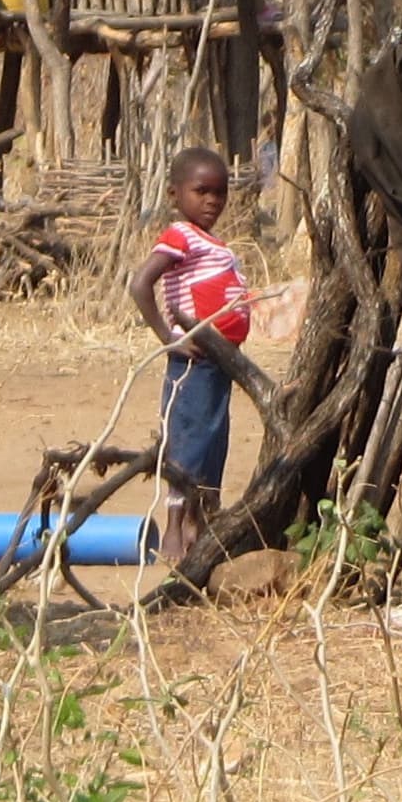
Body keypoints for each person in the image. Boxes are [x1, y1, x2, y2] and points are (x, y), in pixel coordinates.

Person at [127, 147, 257, 560]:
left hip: (218, 365)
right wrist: (168, 336)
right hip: (193, 364)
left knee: (214, 443)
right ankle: (173, 531)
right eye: (201, 191)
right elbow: (140, 284)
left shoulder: (213, 242)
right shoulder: (180, 235)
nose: (211, 201)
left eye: (219, 193)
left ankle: (203, 526)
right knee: (187, 444)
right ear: (174, 194)